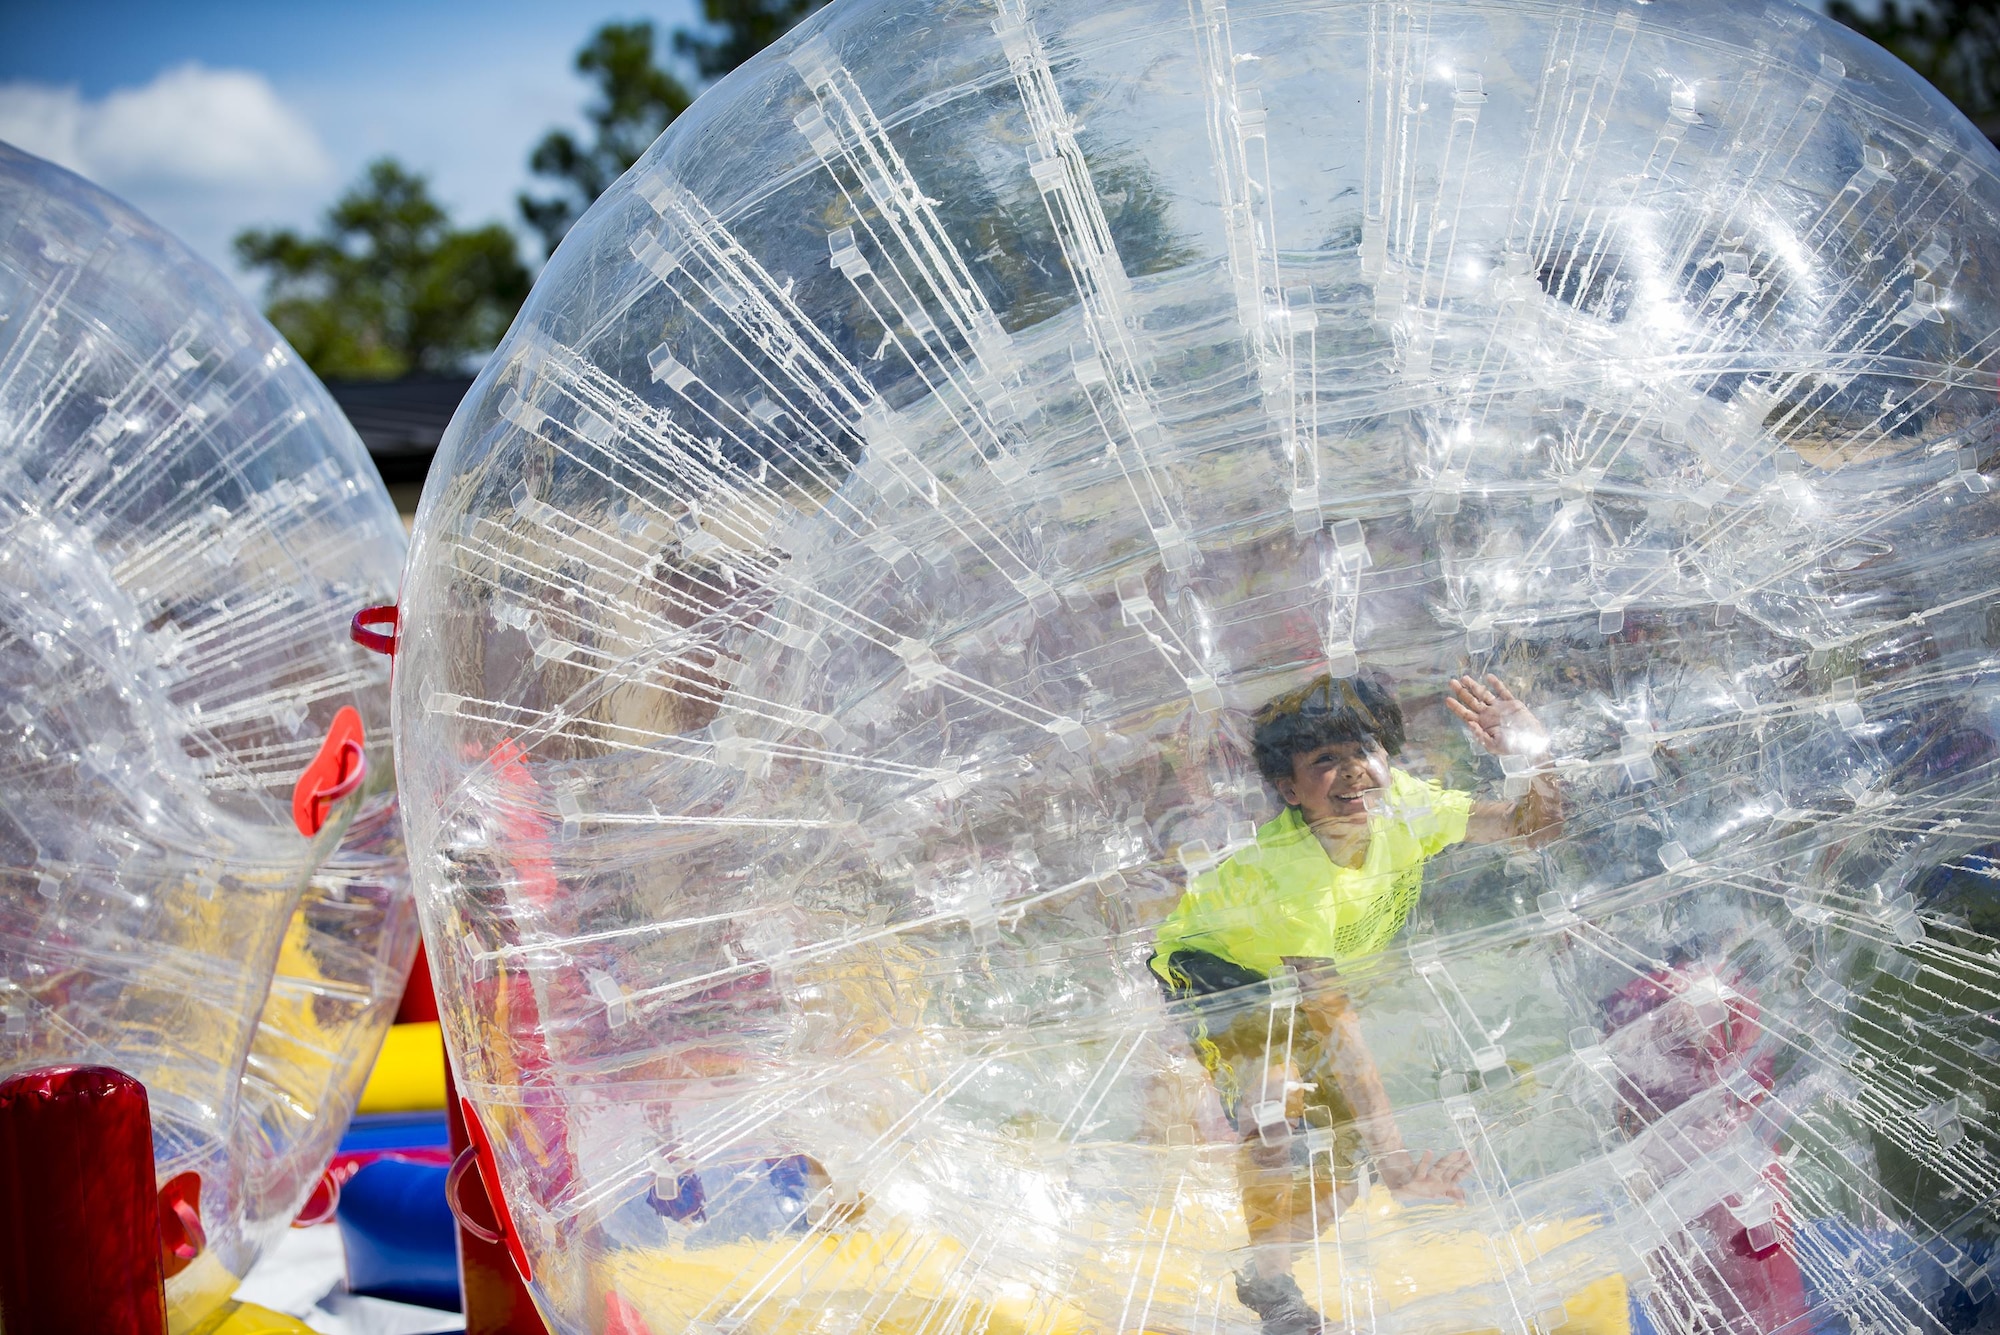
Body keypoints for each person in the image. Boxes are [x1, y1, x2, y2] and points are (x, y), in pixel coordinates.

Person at [1149, 670, 1564, 1335]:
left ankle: (1262, 1275)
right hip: (1217, 967)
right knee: (1278, 1110)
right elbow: (1339, 1028)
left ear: (1388, 759)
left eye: (1362, 753)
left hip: (1305, 971)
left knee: (1345, 1171)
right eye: (1324, 762)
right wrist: (1398, 1159)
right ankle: (1282, 1299)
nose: (1352, 774)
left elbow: (1531, 827)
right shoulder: (1292, 880)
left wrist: (1534, 756)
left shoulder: (1407, 805)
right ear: (1289, 790)